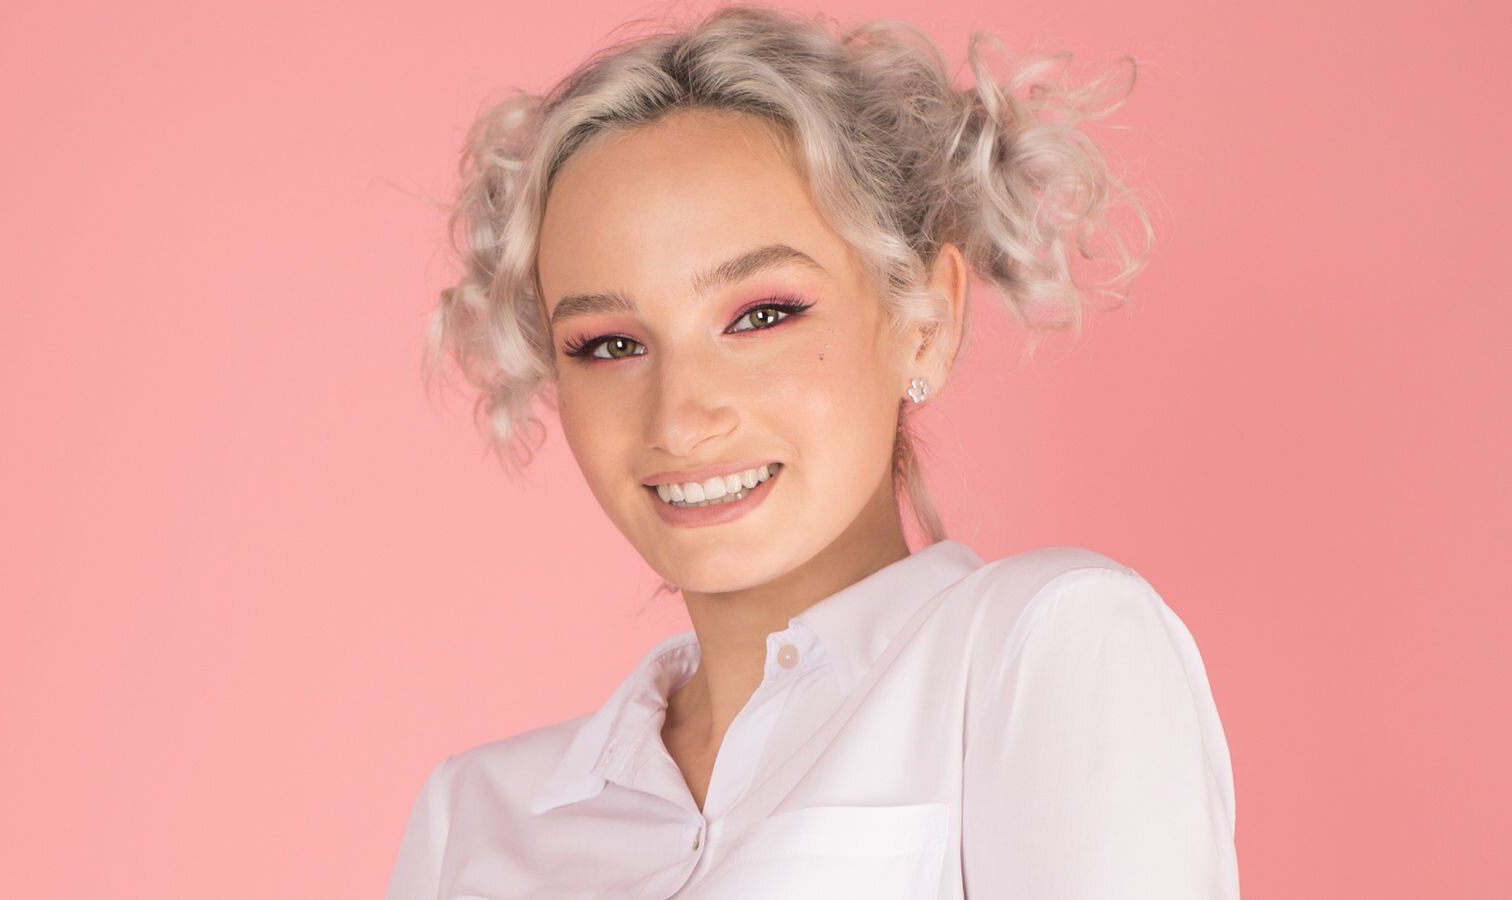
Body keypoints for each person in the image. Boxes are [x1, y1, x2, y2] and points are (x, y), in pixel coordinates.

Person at [386, 4, 1239, 897]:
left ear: (926, 322)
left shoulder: (1041, 649)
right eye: (609, 344)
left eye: (762, 315)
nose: (678, 418)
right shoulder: (473, 817)